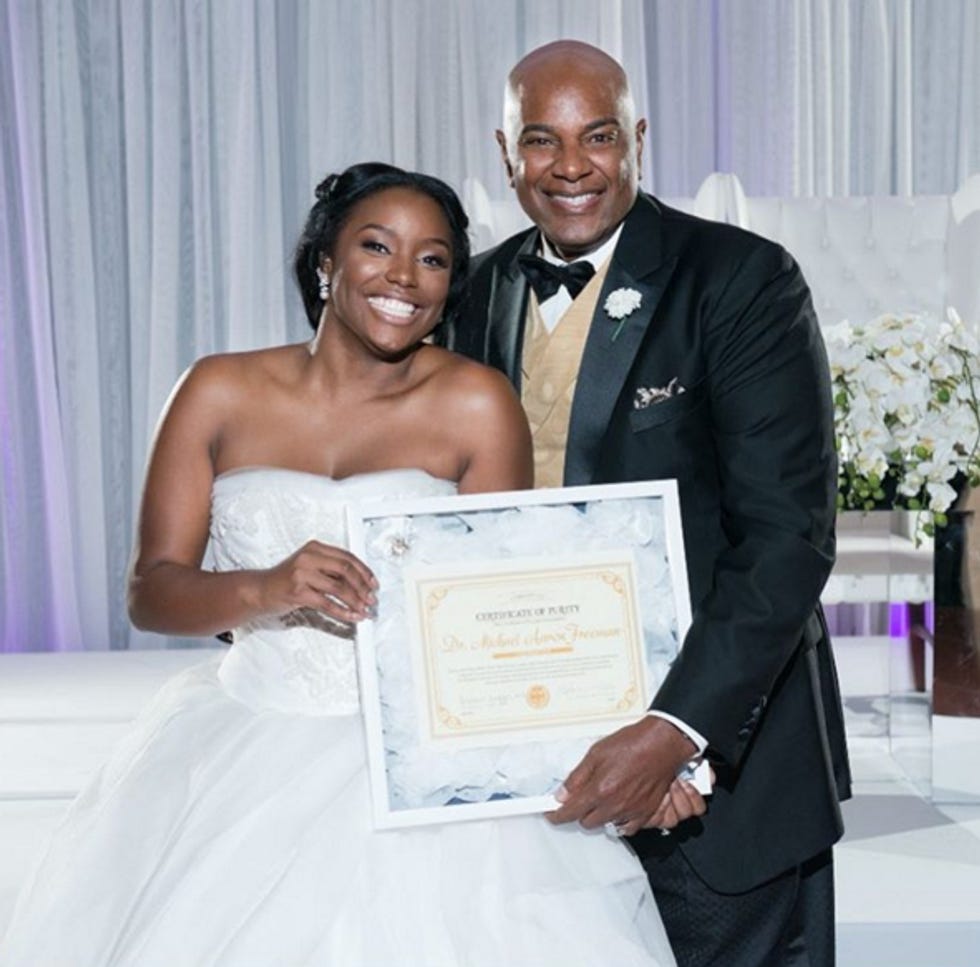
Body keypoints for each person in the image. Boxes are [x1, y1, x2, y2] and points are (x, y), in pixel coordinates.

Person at [0, 162, 687, 967]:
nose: (404, 276)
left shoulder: (476, 403)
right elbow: (151, 592)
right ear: (325, 260)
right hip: (249, 745)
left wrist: (618, 740)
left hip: (426, 766)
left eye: (432, 259)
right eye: (376, 246)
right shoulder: (217, 390)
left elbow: (507, 617)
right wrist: (266, 587)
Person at [447, 41, 852, 966]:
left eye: (598, 137)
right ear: (506, 154)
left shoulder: (741, 279)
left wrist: (677, 732)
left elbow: (786, 537)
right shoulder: (473, 291)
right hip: (530, 762)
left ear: (638, 139)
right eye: (541, 140)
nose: (572, 166)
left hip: (721, 779)